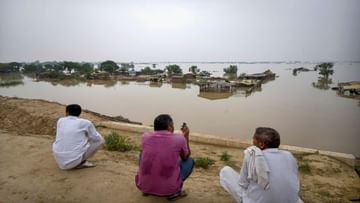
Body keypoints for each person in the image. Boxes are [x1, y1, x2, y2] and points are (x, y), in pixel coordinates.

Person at [219, 127, 303, 203]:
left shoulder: (252, 154)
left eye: (254, 139)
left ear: (261, 144)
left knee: (225, 171)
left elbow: (243, 184)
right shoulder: (289, 155)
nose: (252, 142)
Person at [135, 114, 194, 200]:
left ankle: (147, 189)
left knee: (142, 153)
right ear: (170, 127)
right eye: (172, 125)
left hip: (143, 185)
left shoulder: (145, 136)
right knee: (190, 161)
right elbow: (185, 157)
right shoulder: (180, 139)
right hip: (169, 189)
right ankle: (174, 193)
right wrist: (186, 136)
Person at [52, 104, 105, 170]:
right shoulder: (86, 122)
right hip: (74, 161)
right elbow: (97, 139)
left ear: (67, 112)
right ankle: (81, 162)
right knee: (100, 140)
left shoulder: (60, 120)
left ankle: (76, 159)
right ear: (79, 113)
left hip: (59, 158)